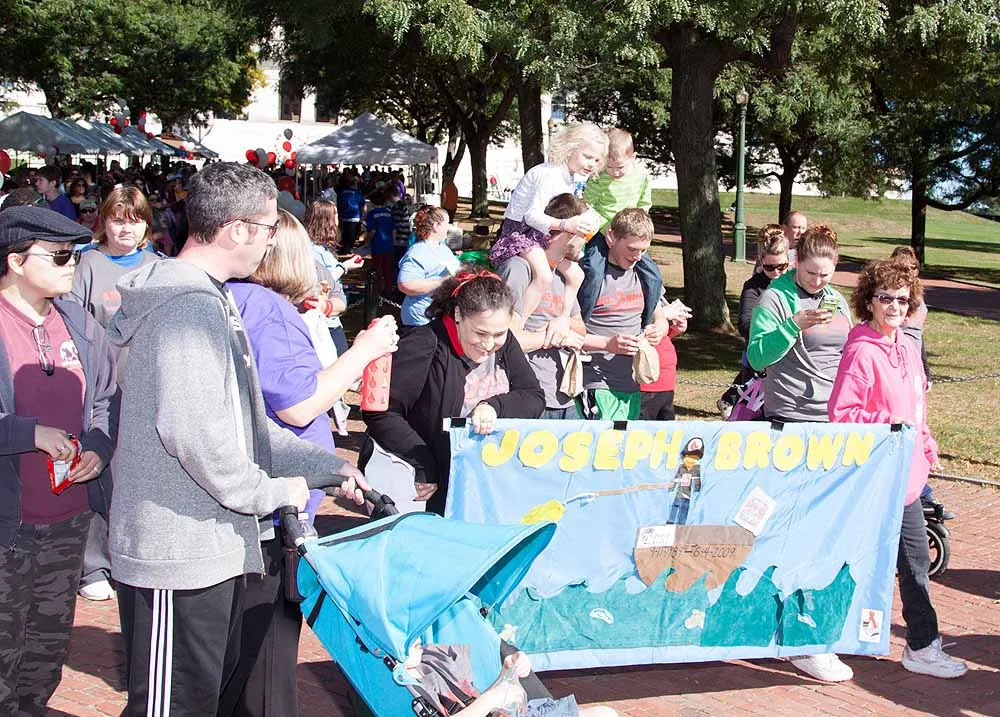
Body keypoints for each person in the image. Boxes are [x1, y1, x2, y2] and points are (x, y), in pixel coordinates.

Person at [106, 162, 368, 715]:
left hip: (211, 550)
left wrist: (327, 467)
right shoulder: (186, 308)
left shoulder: (214, 299)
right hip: (176, 553)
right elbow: (200, 440)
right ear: (237, 229)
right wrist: (278, 492)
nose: (273, 241)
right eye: (269, 228)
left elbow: (244, 425)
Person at [221, 210, 399, 716]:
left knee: (236, 659)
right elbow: (298, 404)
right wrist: (363, 351)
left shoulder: (234, 300)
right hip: (277, 508)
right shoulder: (266, 307)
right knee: (266, 663)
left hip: (258, 493)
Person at [0, 206, 116, 715]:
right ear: (16, 261)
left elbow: (107, 399)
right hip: (8, 526)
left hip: (69, 521)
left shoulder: (79, 323)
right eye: (60, 256)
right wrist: (29, 433)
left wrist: (98, 447)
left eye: (76, 255)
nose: (73, 265)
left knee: (44, 656)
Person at [829, 258, 967, 679]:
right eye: (886, 298)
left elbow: (916, 405)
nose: (894, 307)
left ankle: (921, 645)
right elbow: (841, 414)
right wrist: (889, 424)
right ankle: (824, 638)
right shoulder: (860, 350)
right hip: (873, 477)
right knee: (857, 561)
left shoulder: (907, 345)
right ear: (869, 301)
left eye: (902, 300)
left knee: (915, 561)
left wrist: (925, 442)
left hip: (907, 476)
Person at [746, 225, 853, 682]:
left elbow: (851, 350)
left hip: (833, 422)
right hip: (789, 420)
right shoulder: (777, 298)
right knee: (788, 525)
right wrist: (793, 326)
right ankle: (789, 631)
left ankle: (805, 626)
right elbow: (757, 357)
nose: (818, 281)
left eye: (826, 274)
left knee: (822, 526)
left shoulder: (837, 299)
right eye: (810, 273)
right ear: (796, 263)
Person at [364, 270, 545, 515]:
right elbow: (382, 412)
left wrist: (493, 406)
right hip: (424, 484)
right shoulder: (424, 343)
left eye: (498, 334)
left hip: (480, 483)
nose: (489, 344)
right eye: (480, 333)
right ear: (458, 315)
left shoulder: (506, 343)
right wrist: (423, 465)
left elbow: (533, 396)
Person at [70, 187, 161, 603]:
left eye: (135, 221)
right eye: (118, 220)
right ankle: (93, 564)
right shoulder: (86, 265)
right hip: (100, 391)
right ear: (103, 221)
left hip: (147, 389)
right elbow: (73, 323)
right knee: (98, 471)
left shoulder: (159, 267)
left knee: (137, 476)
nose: (126, 229)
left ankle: (130, 555)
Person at [489, 122, 608, 326]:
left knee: (577, 275)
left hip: (540, 235)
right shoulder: (549, 174)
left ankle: (563, 318)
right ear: (570, 148)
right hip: (521, 233)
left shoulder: (570, 178)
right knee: (544, 276)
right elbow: (531, 216)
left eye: (596, 160)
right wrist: (565, 225)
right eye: (587, 157)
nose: (592, 164)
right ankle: (518, 324)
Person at [579, 209, 683, 421]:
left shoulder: (644, 276)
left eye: (644, 250)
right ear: (611, 237)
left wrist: (659, 329)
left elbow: (660, 318)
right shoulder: (587, 277)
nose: (637, 256)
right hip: (594, 383)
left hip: (633, 385)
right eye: (632, 249)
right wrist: (607, 344)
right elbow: (568, 335)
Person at [498, 194, 588, 419]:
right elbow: (505, 340)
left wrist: (563, 323)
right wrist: (555, 336)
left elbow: (580, 330)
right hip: (527, 397)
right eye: (586, 234)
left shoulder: (564, 272)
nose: (587, 242)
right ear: (570, 233)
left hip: (563, 397)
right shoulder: (519, 269)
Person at [717, 225, 791, 418]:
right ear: (761, 260)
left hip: (790, 364)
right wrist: (776, 335)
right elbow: (745, 324)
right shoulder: (753, 287)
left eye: (782, 266)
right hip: (760, 362)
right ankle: (730, 402)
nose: (776, 272)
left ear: (789, 260)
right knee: (750, 417)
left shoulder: (795, 284)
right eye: (769, 267)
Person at [304, 198, 361, 356]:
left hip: (333, 317)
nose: (338, 218)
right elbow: (322, 280)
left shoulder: (323, 247)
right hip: (324, 321)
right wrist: (344, 267)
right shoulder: (312, 250)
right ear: (325, 219)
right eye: (335, 214)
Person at [398, 205, 461, 327]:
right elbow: (405, 284)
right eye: (447, 223)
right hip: (420, 320)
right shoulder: (417, 252)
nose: (449, 227)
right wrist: (442, 283)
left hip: (440, 316)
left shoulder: (443, 248)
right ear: (436, 226)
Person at [639, 294, 688, 421]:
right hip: (645, 384)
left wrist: (674, 329)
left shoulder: (655, 292)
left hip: (666, 383)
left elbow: (657, 336)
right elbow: (635, 330)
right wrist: (664, 314)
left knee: (665, 431)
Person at [366, 189, 397, 292]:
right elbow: (394, 230)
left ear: (372, 202)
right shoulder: (389, 213)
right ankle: (388, 290)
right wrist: (393, 243)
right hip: (388, 245)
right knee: (387, 270)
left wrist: (367, 243)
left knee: (377, 269)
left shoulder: (372, 214)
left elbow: (372, 231)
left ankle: (378, 291)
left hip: (377, 245)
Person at [337, 175, 365, 250]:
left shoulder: (343, 193)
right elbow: (362, 205)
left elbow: (340, 204)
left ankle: (345, 247)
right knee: (352, 235)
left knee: (345, 233)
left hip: (345, 216)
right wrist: (363, 215)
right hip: (355, 217)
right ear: (355, 184)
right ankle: (348, 249)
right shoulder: (357, 193)